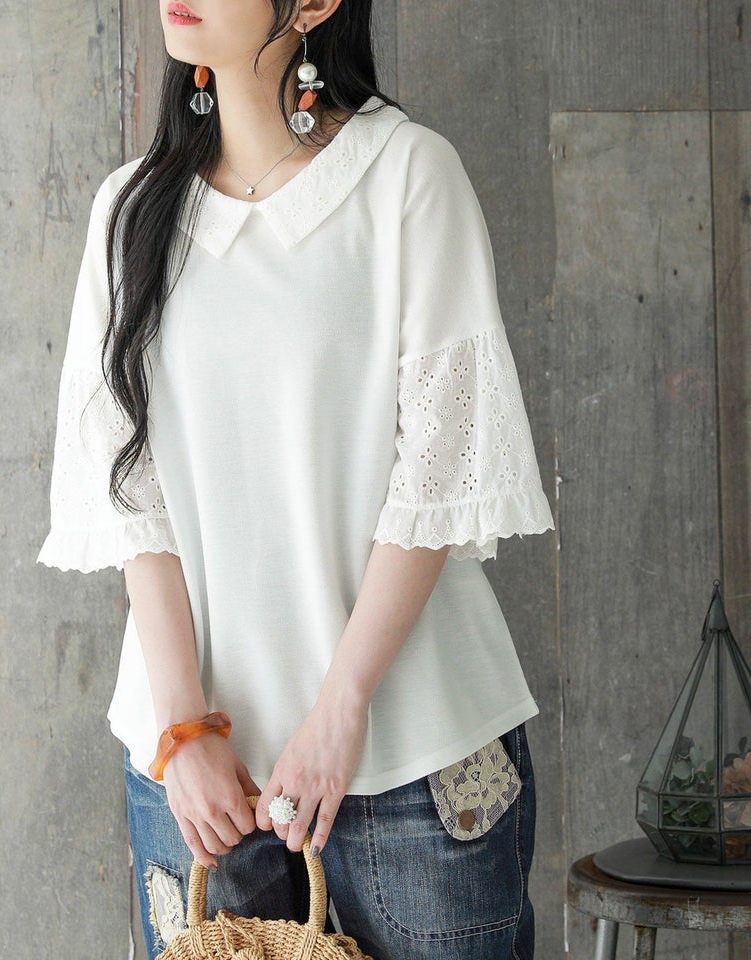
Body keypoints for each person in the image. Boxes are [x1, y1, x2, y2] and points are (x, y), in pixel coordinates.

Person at [38, 1, 554, 957]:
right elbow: (131, 495)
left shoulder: (407, 176)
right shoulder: (130, 209)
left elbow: (439, 472)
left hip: (415, 762)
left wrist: (341, 707)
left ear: (314, 3)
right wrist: (184, 729)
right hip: (198, 781)